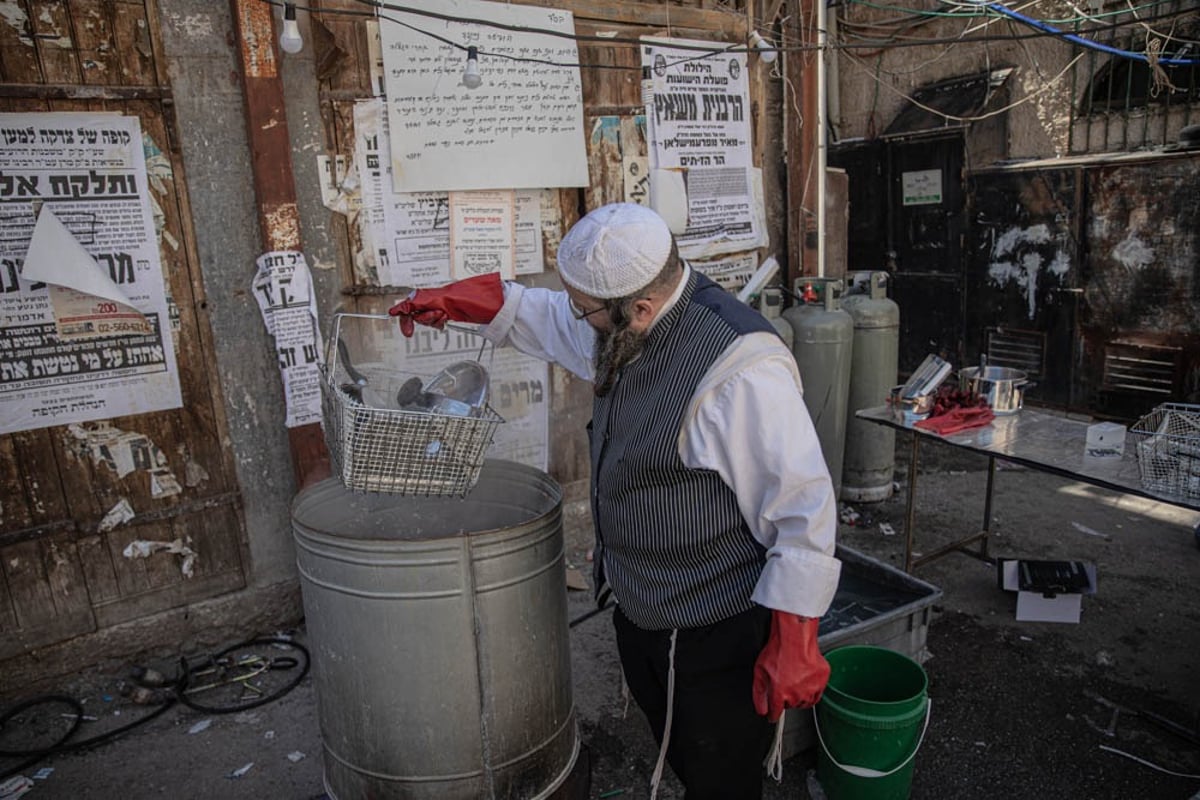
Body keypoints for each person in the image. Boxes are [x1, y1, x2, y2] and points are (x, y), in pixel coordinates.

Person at [389, 203, 841, 799]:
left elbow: (802, 509)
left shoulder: (741, 371)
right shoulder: (631, 325)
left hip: (710, 621)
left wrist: (795, 642)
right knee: (678, 746)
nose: (580, 318)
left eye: (589, 310)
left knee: (721, 775)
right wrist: (454, 302)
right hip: (642, 601)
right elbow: (553, 319)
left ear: (640, 308)